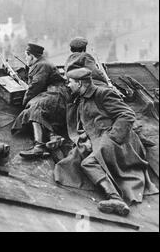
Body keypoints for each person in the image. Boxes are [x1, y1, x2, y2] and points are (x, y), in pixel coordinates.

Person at [54, 68, 158, 216]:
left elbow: (127, 114)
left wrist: (113, 138)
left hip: (120, 139)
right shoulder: (82, 98)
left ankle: (115, 198)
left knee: (89, 163)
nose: (68, 85)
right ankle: (115, 198)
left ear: (79, 83)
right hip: (99, 137)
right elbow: (88, 122)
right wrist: (86, 138)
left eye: (70, 82)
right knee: (70, 162)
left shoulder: (103, 93)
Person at [66, 37, 155, 148]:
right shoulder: (86, 56)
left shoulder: (69, 59)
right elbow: (95, 72)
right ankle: (138, 134)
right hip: (93, 84)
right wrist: (107, 83)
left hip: (81, 88)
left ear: (71, 49)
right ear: (84, 48)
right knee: (120, 104)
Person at [12, 43, 69, 159]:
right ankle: (53, 136)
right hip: (55, 93)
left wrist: (25, 101)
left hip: (56, 94)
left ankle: (39, 146)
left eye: (26, 56)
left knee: (34, 108)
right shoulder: (42, 63)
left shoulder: (41, 65)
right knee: (34, 110)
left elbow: (35, 86)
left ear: (31, 56)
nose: (25, 59)